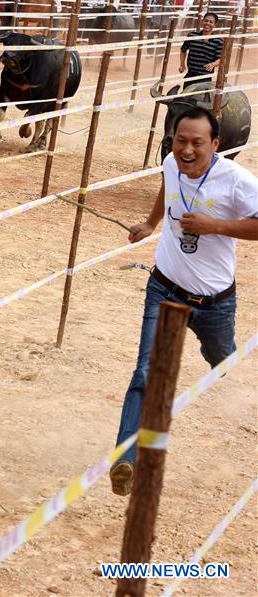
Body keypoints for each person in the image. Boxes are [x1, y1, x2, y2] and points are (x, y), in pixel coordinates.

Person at [110, 107, 258, 497]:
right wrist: (151, 223)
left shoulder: (237, 181)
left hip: (215, 301)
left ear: (216, 144)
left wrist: (216, 226)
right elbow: (168, 185)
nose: (186, 150)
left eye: (197, 143)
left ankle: (218, 356)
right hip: (165, 288)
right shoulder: (171, 163)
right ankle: (126, 458)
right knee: (145, 372)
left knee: (222, 359)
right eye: (180, 141)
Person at [179, 12, 223, 87]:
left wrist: (213, 64)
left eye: (211, 22)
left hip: (205, 78)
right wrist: (182, 64)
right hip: (190, 75)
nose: (207, 23)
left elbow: (220, 59)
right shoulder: (192, 36)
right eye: (206, 21)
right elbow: (183, 50)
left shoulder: (218, 41)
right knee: (186, 94)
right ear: (202, 21)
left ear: (215, 25)